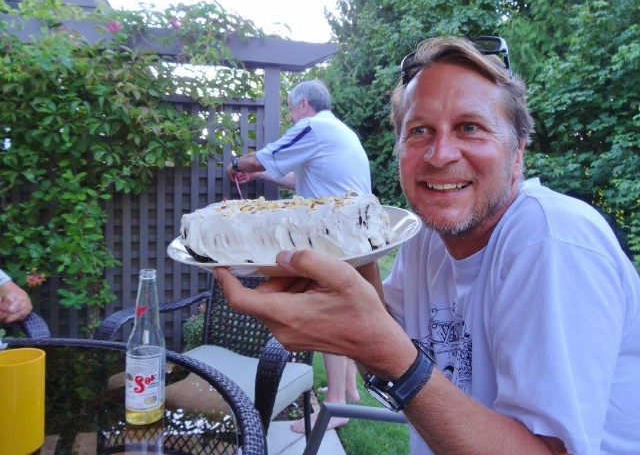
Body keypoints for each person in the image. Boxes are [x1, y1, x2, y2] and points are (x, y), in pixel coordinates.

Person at [215, 36, 640, 454]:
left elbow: (396, 358)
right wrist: (352, 268)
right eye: (419, 130)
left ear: (517, 154)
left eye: (470, 127)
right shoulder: (425, 241)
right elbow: (389, 345)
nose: (440, 154)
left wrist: (388, 354)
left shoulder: (551, 241)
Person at [225, 79, 369, 432]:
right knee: (347, 306)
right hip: (355, 231)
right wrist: (260, 174)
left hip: (334, 234)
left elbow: (263, 157)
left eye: (290, 109)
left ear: (304, 104)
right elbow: (296, 179)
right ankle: (348, 387)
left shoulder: (313, 127)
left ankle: (336, 405)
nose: (290, 117)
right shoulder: (338, 131)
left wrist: (237, 163)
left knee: (329, 313)